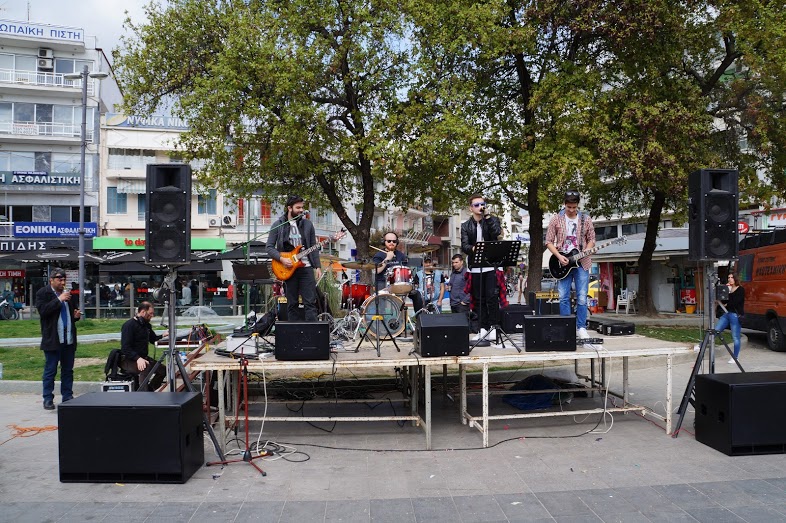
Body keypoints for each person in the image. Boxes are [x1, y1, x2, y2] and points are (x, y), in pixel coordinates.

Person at [545, 189, 596, 339]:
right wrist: (558, 256)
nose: (572, 210)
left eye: (574, 207)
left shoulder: (586, 219)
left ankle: (581, 327)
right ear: (564, 204)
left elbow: (592, 239)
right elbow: (548, 241)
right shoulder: (556, 219)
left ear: (578, 205)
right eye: (569, 207)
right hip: (563, 263)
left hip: (582, 263)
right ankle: (566, 327)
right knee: (563, 296)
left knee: (582, 297)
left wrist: (586, 250)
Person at [265, 195, 322, 321]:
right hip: (288, 268)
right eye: (298, 208)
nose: (301, 210)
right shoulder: (278, 225)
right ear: (289, 208)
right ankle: (294, 331)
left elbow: (313, 247)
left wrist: (317, 266)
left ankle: (311, 331)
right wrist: (281, 259)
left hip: (306, 267)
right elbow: (269, 247)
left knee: (310, 302)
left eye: (302, 207)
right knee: (292, 303)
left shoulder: (307, 225)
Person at [35, 268, 81, 410]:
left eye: (64, 279)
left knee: (68, 370)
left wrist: (76, 316)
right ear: (51, 280)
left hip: (68, 339)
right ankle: (48, 398)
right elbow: (43, 311)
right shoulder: (43, 293)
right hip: (53, 339)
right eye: (59, 279)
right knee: (50, 370)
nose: (62, 282)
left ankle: (67, 396)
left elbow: (69, 314)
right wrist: (59, 300)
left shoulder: (68, 294)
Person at [461, 193, 502, 342]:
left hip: (491, 266)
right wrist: (475, 248)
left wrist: (488, 217)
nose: (480, 207)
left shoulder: (492, 220)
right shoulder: (465, 226)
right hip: (476, 266)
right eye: (477, 205)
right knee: (479, 299)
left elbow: (496, 233)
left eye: (482, 204)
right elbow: (464, 246)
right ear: (471, 208)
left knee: (492, 297)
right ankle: (482, 328)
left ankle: (493, 327)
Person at [119, 301, 169, 391]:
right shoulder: (129, 325)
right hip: (128, 359)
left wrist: (162, 335)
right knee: (145, 367)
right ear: (143, 312)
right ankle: (143, 393)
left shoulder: (146, 325)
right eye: (150, 313)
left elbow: (153, 339)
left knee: (163, 370)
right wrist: (138, 358)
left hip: (142, 357)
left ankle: (151, 389)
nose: (152, 316)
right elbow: (125, 348)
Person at [372, 231, 424, 312]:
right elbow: (376, 270)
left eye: (394, 241)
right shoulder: (379, 255)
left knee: (416, 294)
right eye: (389, 241)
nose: (391, 243)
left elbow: (406, 270)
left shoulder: (401, 255)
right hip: (383, 284)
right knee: (380, 299)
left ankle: (419, 317)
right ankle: (381, 318)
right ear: (384, 242)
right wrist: (387, 259)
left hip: (399, 284)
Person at [716, 272, 745, 364]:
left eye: (731, 277)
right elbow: (724, 301)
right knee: (716, 330)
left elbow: (735, 302)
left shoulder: (740, 290)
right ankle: (701, 345)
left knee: (735, 336)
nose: (729, 279)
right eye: (728, 277)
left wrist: (728, 297)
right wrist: (725, 292)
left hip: (735, 315)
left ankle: (735, 357)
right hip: (727, 313)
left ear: (735, 279)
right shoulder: (728, 289)